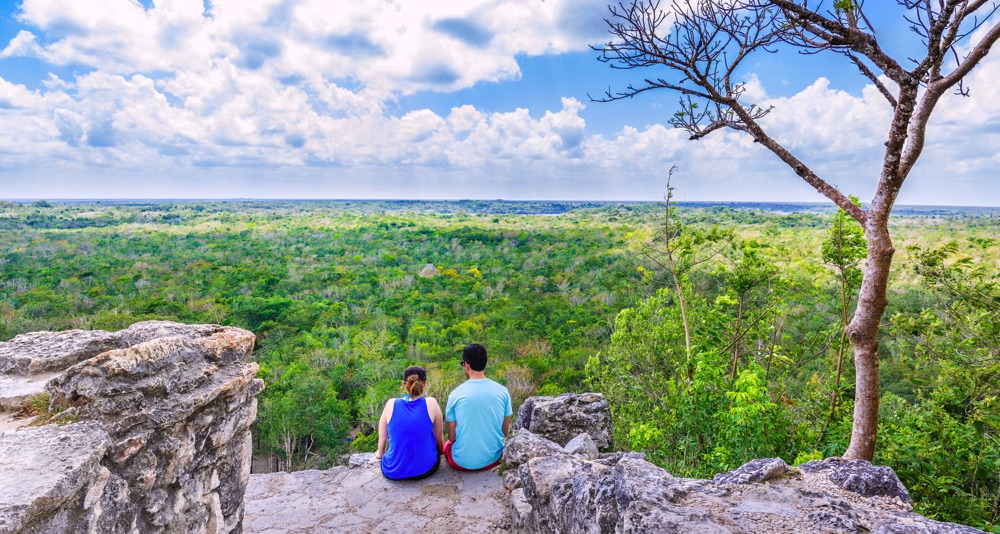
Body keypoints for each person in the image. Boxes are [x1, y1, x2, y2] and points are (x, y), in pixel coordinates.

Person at [444, 343, 512, 471]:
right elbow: (504, 432)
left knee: (447, 445)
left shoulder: (455, 394)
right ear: (485, 363)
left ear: (467, 365)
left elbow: (452, 438)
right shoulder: (502, 391)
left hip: (461, 462)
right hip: (494, 458)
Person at [375, 365, 444, 480]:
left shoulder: (391, 404)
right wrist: (441, 452)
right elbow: (439, 436)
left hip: (393, 470)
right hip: (426, 469)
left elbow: (383, 438)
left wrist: (380, 454)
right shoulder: (431, 403)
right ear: (425, 383)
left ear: (403, 384)